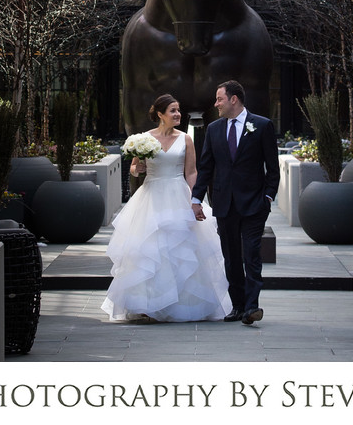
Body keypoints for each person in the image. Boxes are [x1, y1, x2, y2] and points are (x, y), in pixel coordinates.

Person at [101, 93, 231, 323]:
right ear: (160, 114)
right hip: (151, 197)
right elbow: (133, 169)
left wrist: (196, 200)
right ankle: (146, 305)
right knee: (149, 249)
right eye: (172, 110)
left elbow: (191, 172)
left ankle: (181, 304)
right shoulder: (143, 139)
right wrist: (137, 168)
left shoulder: (186, 139)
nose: (178, 114)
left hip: (177, 194)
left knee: (181, 248)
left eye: (178, 110)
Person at [191, 79, 279, 325]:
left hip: (254, 204)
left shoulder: (262, 125)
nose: (215, 103)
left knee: (251, 254)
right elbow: (206, 167)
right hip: (224, 204)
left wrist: (268, 197)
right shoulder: (214, 129)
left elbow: (273, 168)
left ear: (234, 99)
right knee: (231, 257)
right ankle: (237, 305)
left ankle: (252, 307)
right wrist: (196, 198)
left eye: (219, 99)